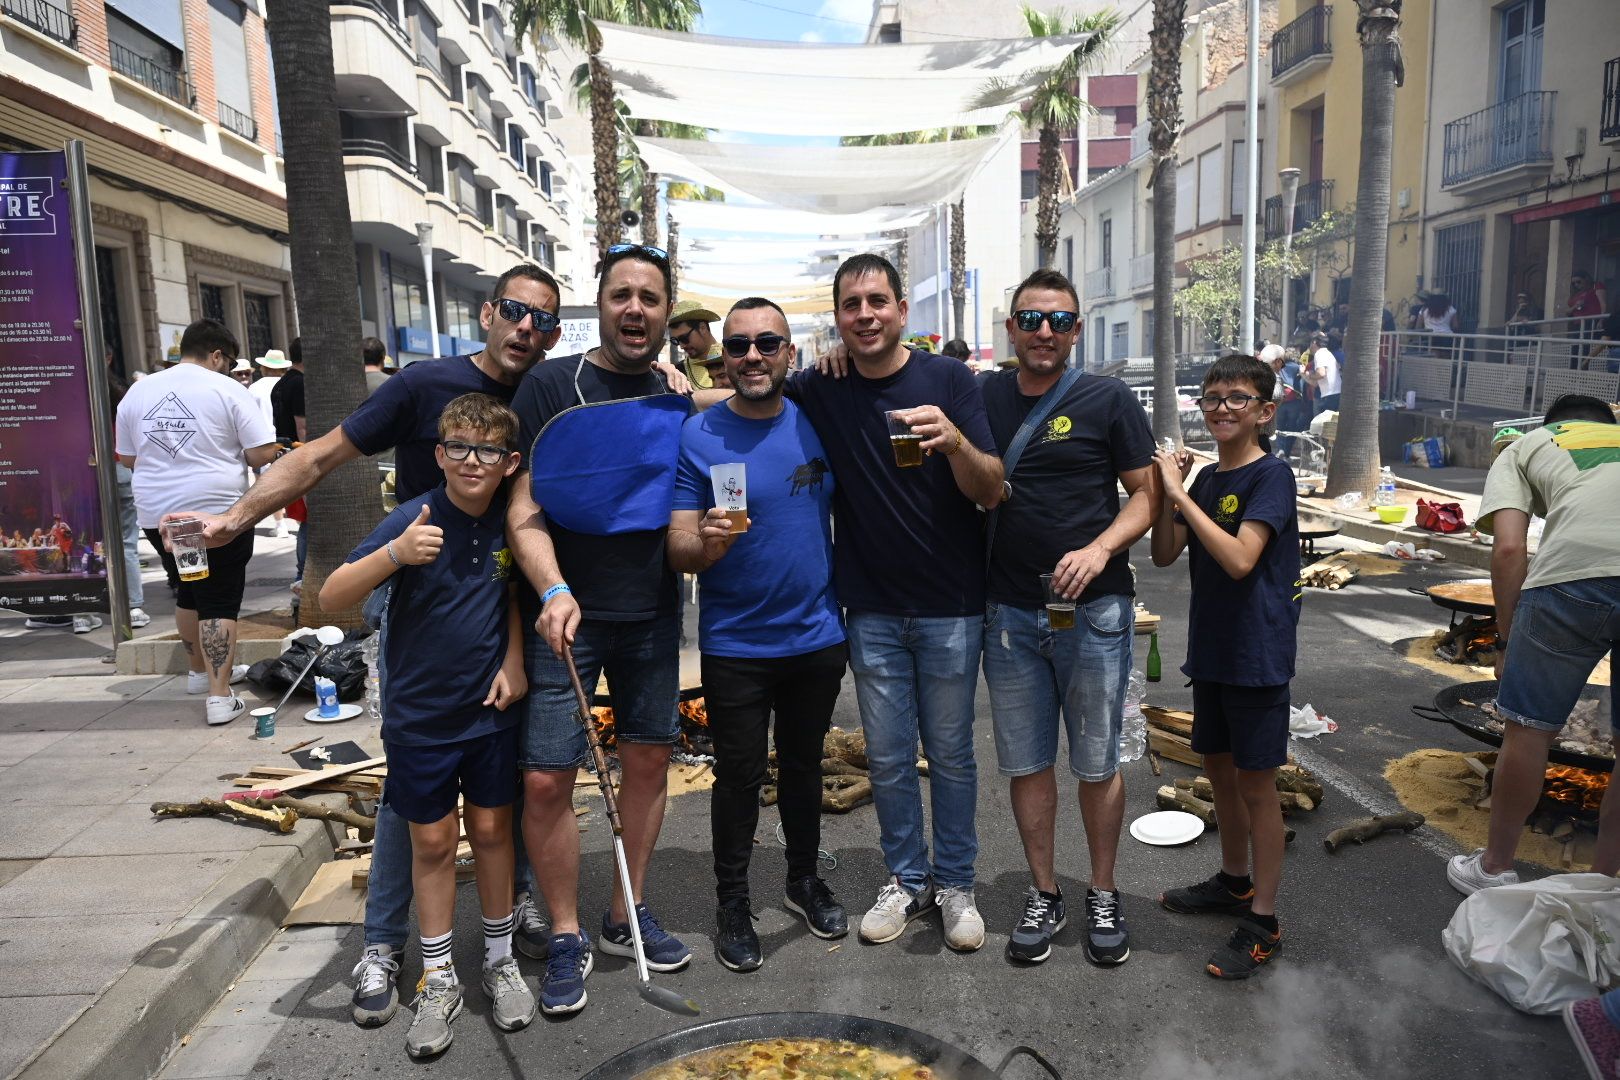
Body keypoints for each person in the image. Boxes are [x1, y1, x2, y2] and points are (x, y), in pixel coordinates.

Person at [165, 263, 563, 1030]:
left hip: (503, 603)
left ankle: (506, 925)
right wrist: (236, 519)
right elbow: (318, 457)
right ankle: (387, 945)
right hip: (416, 594)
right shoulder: (424, 386)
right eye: (516, 310)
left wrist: (676, 376)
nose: (526, 327)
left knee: (499, 795)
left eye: (543, 319)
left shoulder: (545, 393)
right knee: (415, 811)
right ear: (488, 313)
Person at [748, 253, 1003, 952]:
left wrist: (955, 441)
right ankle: (908, 879)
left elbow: (991, 488)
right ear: (837, 317)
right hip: (871, 608)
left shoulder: (949, 380)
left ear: (902, 310)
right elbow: (750, 388)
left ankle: (957, 885)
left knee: (951, 755)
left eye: (877, 301)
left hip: (951, 604)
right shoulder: (824, 385)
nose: (865, 314)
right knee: (889, 758)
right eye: (851, 304)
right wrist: (672, 386)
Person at [506, 244, 695, 1017]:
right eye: (622, 295)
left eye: (650, 297)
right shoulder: (551, 386)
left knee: (647, 763)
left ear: (666, 311)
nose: (635, 309)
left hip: (652, 611)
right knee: (546, 776)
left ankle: (626, 911)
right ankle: (564, 932)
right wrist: (552, 588)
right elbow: (523, 508)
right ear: (602, 304)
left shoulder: (675, 394)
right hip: (566, 618)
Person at [320, 393, 534, 1058]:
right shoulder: (413, 518)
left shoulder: (510, 522)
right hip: (420, 718)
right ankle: (438, 977)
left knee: (494, 833)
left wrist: (514, 660)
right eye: (459, 448)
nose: (473, 461)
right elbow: (330, 595)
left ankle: (499, 959)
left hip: (490, 712)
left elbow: (510, 596)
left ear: (509, 463)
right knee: (434, 844)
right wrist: (396, 553)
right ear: (439, 455)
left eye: (488, 451)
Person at [979, 269, 1155, 966]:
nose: (1044, 332)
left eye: (1058, 321)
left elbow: (1146, 496)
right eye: (1030, 319)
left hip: (1095, 611)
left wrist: (1100, 547)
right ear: (1011, 329)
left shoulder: (1107, 398)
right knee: (1027, 763)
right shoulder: (985, 395)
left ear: (1077, 329)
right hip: (1009, 613)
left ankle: (1102, 893)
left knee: (1095, 763)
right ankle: (1044, 892)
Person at [668, 296, 849, 972]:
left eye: (767, 343)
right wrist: (707, 545)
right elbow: (678, 548)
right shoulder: (699, 436)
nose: (752, 355)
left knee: (804, 767)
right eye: (738, 345)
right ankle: (733, 902)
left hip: (817, 635)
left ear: (788, 354)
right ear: (723, 356)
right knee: (739, 776)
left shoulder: (817, 420)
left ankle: (804, 879)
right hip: (736, 643)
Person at [1150, 353, 1300, 980]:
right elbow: (1163, 553)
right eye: (1212, 398)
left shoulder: (1273, 476)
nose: (1221, 408)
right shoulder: (1208, 479)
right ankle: (1235, 882)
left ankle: (1264, 921)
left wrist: (1181, 495)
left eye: (1238, 398)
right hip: (1212, 651)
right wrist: (1166, 493)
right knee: (1218, 771)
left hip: (1256, 654)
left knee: (1258, 786)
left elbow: (1240, 560)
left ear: (1265, 412)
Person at [1447, 394, 1620, 895]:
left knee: (1528, 731)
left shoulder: (1525, 445)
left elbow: (1508, 548)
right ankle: (1603, 882)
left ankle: (1494, 867)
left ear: (1553, 425)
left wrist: (1505, 641)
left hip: (1572, 583)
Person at [116, 319, 279, 725]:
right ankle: (220, 697)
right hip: (214, 513)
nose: (230, 369)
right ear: (218, 355)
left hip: (158, 513)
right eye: (230, 362)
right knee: (219, 598)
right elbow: (260, 453)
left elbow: (128, 457)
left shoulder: (139, 390)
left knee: (190, 590)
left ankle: (198, 674)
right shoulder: (227, 389)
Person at [669, 299, 721, 390]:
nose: (681, 346)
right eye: (676, 341)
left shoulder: (735, 359)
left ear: (702, 328)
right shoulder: (678, 373)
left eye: (684, 338)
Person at [271, 338, 306, 446]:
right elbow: (302, 427)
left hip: (283, 447)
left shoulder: (279, 384)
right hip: (298, 447)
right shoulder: (300, 383)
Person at [1303, 331, 1341, 415]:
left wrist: (1309, 374)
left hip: (1329, 395)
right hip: (1334, 394)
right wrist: (1304, 375)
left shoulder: (1319, 354)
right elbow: (1316, 383)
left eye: (1310, 343)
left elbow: (1321, 373)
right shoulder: (1327, 353)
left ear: (1314, 342)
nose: (1309, 348)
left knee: (1324, 422)